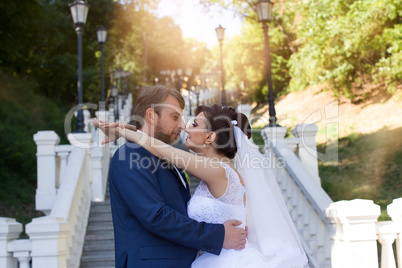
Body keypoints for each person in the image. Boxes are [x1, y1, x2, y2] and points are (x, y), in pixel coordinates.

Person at [95, 102, 309, 268]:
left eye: (194, 124)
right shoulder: (216, 170)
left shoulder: (218, 170)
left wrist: (124, 130)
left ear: (210, 137)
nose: (186, 129)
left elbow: (162, 150)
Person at [100, 85, 247, 268]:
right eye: (175, 117)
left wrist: (127, 130)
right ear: (151, 116)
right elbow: (156, 216)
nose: (182, 126)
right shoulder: (131, 155)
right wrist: (218, 235)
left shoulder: (172, 158)